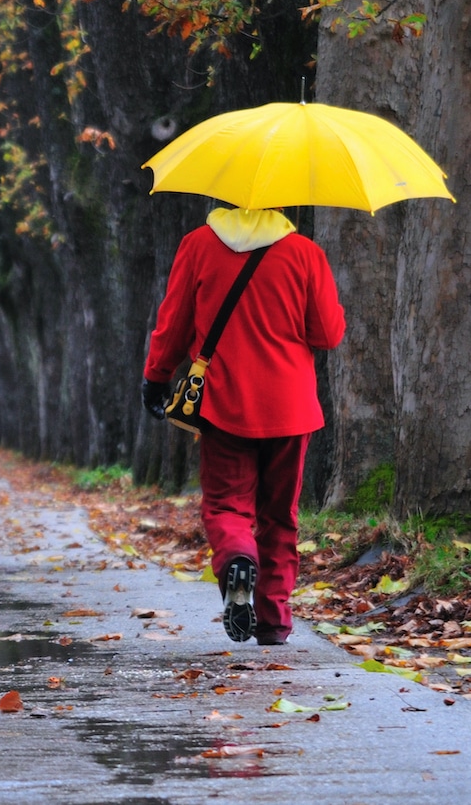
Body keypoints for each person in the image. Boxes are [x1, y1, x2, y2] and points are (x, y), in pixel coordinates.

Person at [141, 206, 345, 645]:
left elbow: (174, 322)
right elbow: (327, 334)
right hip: (290, 407)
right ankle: (274, 621)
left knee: (227, 506)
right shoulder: (305, 252)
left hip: (223, 401)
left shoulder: (197, 245)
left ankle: (237, 556)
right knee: (280, 516)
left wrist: (156, 376)